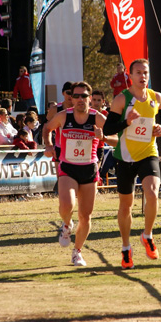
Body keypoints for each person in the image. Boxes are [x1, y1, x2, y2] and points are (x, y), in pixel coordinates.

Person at [103, 58, 161, 269]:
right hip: (124, 158)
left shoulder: (155, 97)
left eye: (146, 73)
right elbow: (107, 129)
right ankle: (126, 248)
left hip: (148, 153)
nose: (143, 77)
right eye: (138, 73)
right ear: (130, 76)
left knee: (151, 193)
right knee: (126, 206)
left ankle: (147, 235)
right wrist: (127, 122)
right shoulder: (121, 100)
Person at [43, 81, 116, 266]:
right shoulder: (63, 116)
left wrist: (104, 137)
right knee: (66, 205)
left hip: (89, 169)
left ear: (90, 99)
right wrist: (49, 144)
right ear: (71, 98)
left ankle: (77, 252)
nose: (80, 99)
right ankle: (66, 225)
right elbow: (46, 129)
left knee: (86, 215)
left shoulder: (97, 117)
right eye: (76, 96)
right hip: (68, 167)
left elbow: (118, 139)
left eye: (84, 96)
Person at [91, 90, 109, 165]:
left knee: (97, 171)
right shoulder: (86, 112)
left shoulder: (106, 114)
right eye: (94, 100)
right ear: (90, 100)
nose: (96, 103)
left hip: (99, 146)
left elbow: (109, 131)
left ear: (103, 101)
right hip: (87, 145)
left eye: (99, 100)